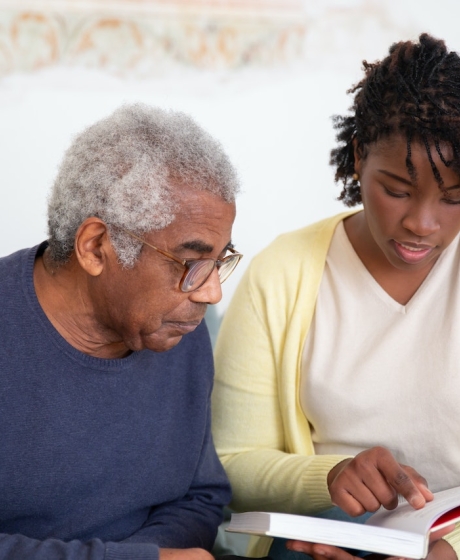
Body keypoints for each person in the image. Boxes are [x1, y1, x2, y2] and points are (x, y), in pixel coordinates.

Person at [211, 33, 460, 560]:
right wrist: (331, 477)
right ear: (357, 158)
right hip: (324, 540)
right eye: (396, 189)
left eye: (455, 198)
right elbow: (231, 462)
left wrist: (449, 551)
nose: (422, 223)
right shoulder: (282, 273)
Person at [0, 102, 244, 560]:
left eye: (220, 260)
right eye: (193, 263)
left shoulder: (177, 329)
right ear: (95, 247)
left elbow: (200, 497)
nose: (211, 293)